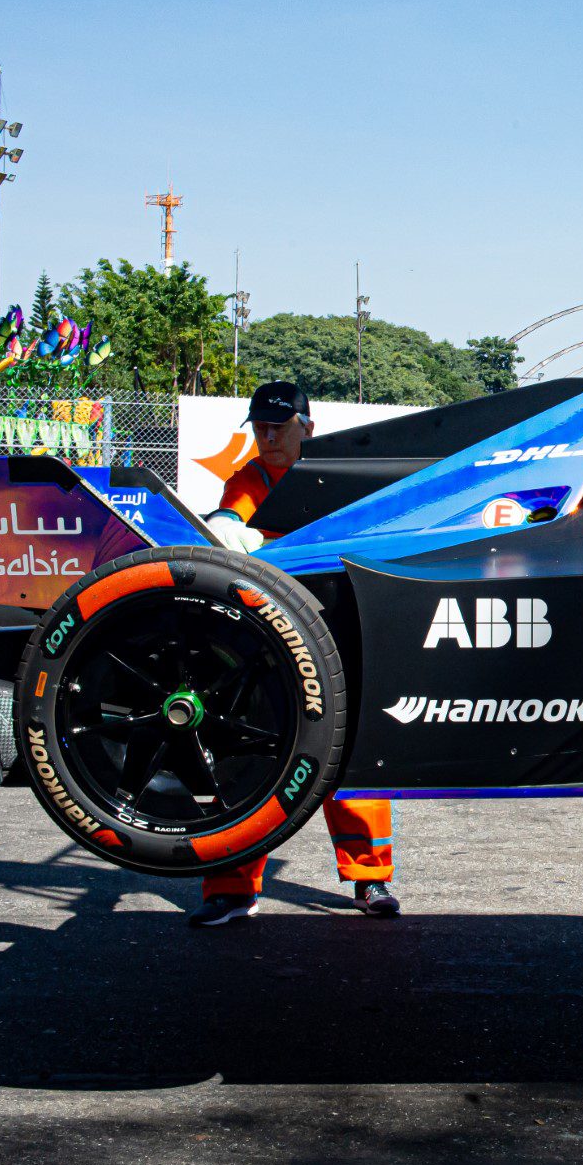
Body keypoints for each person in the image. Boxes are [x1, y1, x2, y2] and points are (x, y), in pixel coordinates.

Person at [190, 381, 402, 927]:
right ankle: (232, 889)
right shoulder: (250, 479)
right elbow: (230, 516)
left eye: (277, 427)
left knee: (353, 758)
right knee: (246, 759)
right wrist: (226, 524)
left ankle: (369, 878)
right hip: (266, 643)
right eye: (258, 427)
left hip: (338, 631)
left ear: (307, 426)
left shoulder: (343, 476)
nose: (266, 436)